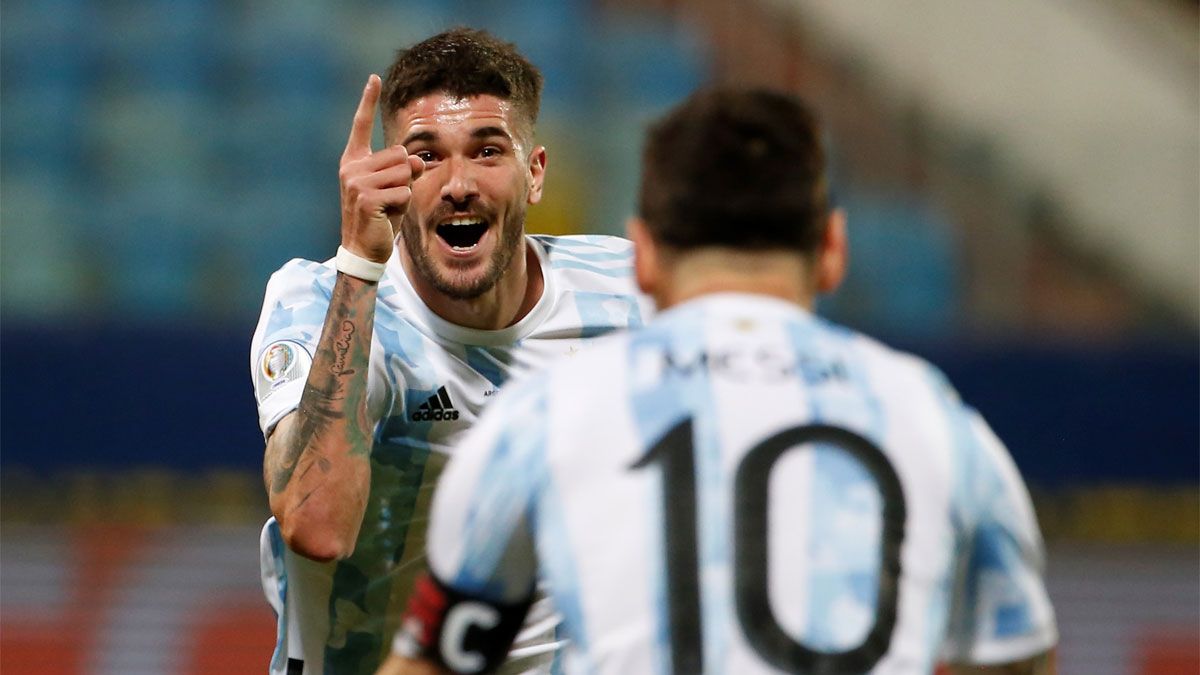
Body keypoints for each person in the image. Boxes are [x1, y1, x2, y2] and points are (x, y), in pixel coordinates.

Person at [376, 88, 1058, 674]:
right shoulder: (933, 417)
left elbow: (434, 659)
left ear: (641, 257)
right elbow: (1014, 651)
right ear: (832, 250)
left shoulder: (543, 419)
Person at [250, 28, 652, 675]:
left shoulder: (631, 294)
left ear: (534, 174)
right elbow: (316, 525)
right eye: (426, 156)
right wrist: (359, 264)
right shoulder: (318, 300)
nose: (458, 183)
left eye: (487, 150)